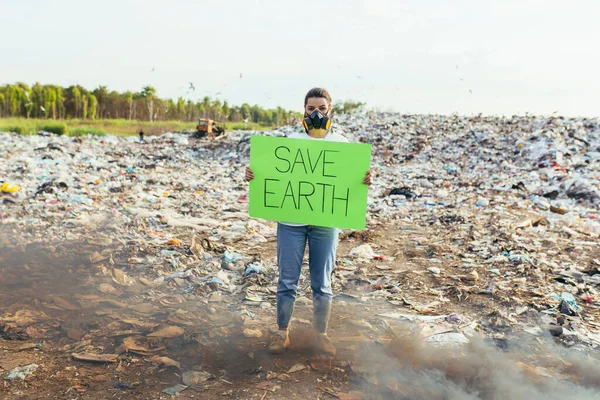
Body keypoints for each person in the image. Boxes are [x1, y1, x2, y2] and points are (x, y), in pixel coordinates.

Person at [245, 88, 372, 356]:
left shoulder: (342, 144)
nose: (316, 113)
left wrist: (363, 180)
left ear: (330, 110)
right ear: (304, 110)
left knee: (322, 283)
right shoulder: (289, 142)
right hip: (291, 222)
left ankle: (321, 336)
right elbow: (271, 173)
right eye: (311, 108)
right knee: (287, 280)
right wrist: (253, 174)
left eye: (322, 108)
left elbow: (349, 180)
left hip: (325, 224)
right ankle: (282, 334)